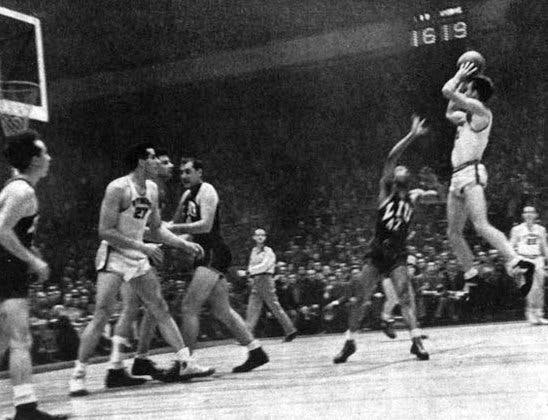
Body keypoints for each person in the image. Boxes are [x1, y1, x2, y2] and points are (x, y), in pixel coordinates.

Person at [69, 143, 214, 397]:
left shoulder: (152, 189)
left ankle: (185, 362)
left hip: (137, 255)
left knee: (159, 307)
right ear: (141, 161)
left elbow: (156, 229)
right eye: (153, 158)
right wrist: (142, 247)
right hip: (115, 254)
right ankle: (78, 376)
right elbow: (105, 231)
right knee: (102, 313)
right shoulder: (118, 188)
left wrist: (182, 245)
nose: (157, 161)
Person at [332, 115, 434, 364]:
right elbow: (391, 157)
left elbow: (437, 196)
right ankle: (349, 342)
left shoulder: (414, 197)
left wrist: (436, 187)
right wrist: (411, 136)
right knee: (360, 297)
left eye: (403, 169)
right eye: (397, 169)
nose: (399, 168)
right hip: (377, 251)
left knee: (405, 296)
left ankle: (416, 341)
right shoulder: (385, 192)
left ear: (408, 177)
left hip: (398, 252)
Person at [167, 158, 269, 373]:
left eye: (188, 171)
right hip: (204, 253)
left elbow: (205, 226)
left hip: (214, 251)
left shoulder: (207, 190)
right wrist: (160, 235)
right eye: (181, 172)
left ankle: (186, 363)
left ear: (199, 172)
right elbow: (178, 228)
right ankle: (256, 351)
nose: (183, 176)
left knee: (189, 307)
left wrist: (173, 230)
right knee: (222, 311)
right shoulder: (186, 196)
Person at [442, 62, 535, 295]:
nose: (465, 92)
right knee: (453, 233)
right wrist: (462, 85)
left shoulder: (481, 111)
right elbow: (449, 112)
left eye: (469, 89)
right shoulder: (466, 117)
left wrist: (459, 76)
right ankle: (471, 275)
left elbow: (446, 91)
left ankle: (517, 261)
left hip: (471, 172)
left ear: (476, 93)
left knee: (480, 225)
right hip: (457, 176)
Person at [0, 131, 67, 419]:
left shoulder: (17, 188)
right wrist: (33, 261)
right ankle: (26, 409)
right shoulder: (22, 191)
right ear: (34, 159)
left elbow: (14, 231)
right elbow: (2, 231)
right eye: (45, 152)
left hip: (7, 267)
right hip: (6, 270)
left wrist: (31, 251)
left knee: (4, 340)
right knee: (20, 339)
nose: (49, 157)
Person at [243, 228, 297, 342]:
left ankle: (290, 330)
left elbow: (265, 266)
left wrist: (249, 272)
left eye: (262, 235)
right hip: (256, 280)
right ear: (254, 237)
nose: (260, 237)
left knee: (274, 306)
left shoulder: (269, 251)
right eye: (258, 235)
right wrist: (250, 275)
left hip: (266, 279)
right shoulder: (253, 250)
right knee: (252, 308)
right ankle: (246, 335)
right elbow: (250, 265)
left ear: (265, 237)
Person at [509, 206, 547, 325]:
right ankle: (531, 314)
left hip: (538, 259)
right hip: (524, 258)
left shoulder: (541, 229)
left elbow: (544, 246)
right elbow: (511, 246)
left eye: (531, 212)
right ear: (523, 215)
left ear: (536, 215)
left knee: (539, 288)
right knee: (531, 288)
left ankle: (539, 314)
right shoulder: (517, 229)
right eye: (526, 212)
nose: (529, 214)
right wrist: (513, 262)